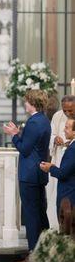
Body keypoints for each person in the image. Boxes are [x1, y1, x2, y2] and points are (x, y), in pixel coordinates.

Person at [3, 89, 51, 262]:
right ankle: (45, 251)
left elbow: (24, 148)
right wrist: (18, 132)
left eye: (26, 101)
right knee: (39, 213)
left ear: (32, 103)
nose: (25, 104)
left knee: (31, 216)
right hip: (38, 173)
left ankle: (33, 254)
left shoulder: (33, 122)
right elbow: (33, 143)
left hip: (29, 174)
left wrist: (14, 135)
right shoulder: (43, 120)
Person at [47, 95, 75, 228]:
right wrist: (54, 139)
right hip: (59, 157)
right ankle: (56, 224)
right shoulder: (57, 116)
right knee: (57, 193)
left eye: (71, 110)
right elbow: (50, 135)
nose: (68, 113)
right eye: (65, 110)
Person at [40, 118, 75, 217]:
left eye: (67, 128)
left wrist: (50, 168)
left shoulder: (73, 149)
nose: (64, 130)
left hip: (69, 197)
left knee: (66, 230)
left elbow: (62, 174)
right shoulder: (71, 145)